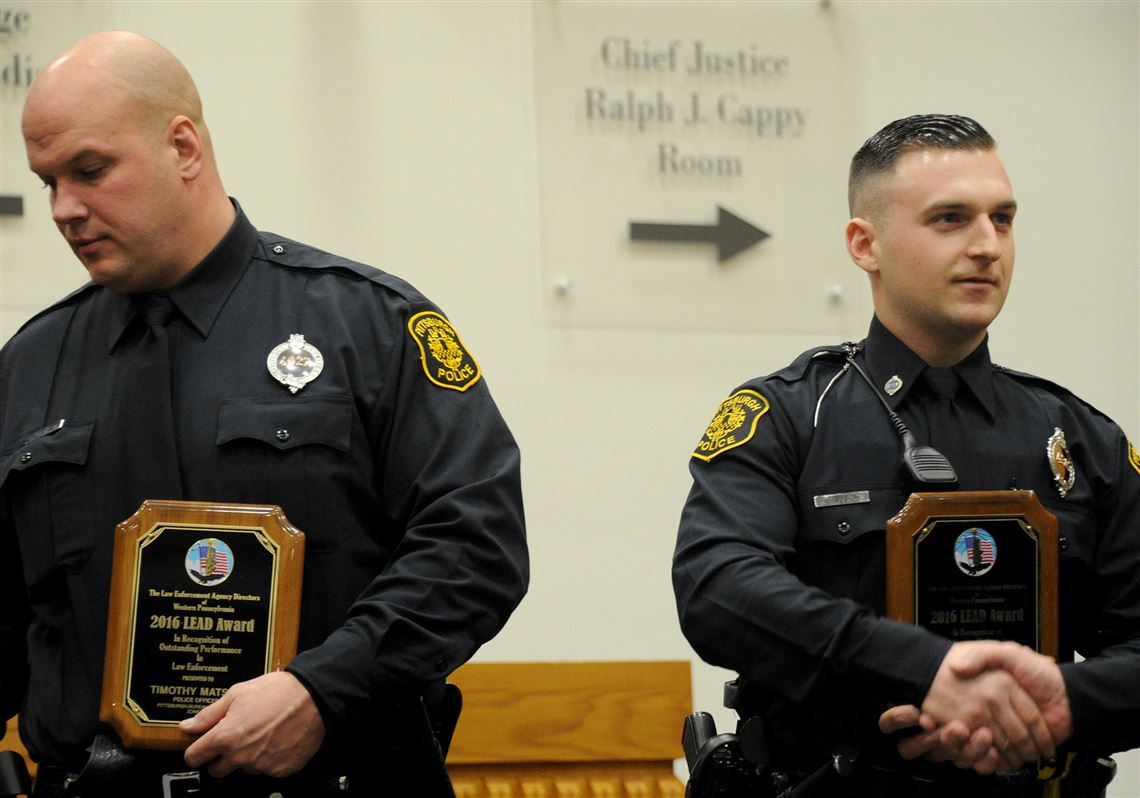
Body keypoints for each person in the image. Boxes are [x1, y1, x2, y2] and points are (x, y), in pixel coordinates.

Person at [0, 31, 528, 796]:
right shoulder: (32, 364)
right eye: (47, 182)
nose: (64, 209)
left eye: (89, 171)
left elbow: (476, 545)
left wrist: (324, 688)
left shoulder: (365, 326)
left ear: (183, 147)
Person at [673, 114, 1140, 796]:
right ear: (866, 245)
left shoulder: (1080, 438)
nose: (988, 246)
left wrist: (1064, 700)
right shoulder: (788, 416)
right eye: (950, 219)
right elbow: (718, 587)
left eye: (1002, 220)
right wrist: (924, 671)